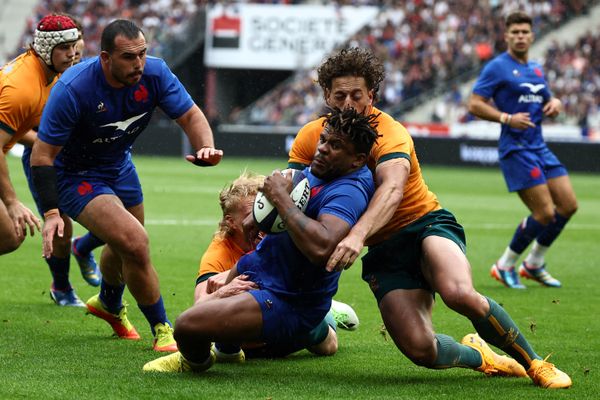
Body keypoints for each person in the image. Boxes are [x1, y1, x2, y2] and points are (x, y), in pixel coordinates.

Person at [286, 47, 571, 389]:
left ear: (371, 95)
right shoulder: (310, 136)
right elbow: (296, 196)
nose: (349, 103)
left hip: (425, 225)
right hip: (384, 251)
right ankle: (481, 357)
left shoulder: (390, 133)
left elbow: (391, 190)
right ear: (326, 96)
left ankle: (536, 363)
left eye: (357, 95)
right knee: (422, 350)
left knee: (458, 293)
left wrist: (356, 235)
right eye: (340, 95)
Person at [30, 19, 223, 352]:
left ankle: (107, 302)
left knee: (124, 247)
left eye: (143, 54)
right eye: (129, 57)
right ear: (105, 58)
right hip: (76, 176)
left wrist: (204, 145)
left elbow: (191, 115)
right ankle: (164, 330)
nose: (139, 64)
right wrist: (51, 213)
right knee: (134, 241)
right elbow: (41, 155)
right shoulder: (73, 89)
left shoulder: (156, 74)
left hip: (119, 166)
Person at [142, 106, 376, 372]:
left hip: (287, 299)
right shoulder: (326, 169)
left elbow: (322, 247)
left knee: (186, 326)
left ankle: (194, 362)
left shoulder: (348, 192)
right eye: (323, 140)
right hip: (262, 271)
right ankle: (228, 352)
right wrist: (258, 215)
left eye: (336, 145)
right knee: (208, 312)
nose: (322, 148)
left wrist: (280, 199)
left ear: (357, 160)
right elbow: (293, 190)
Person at [194, 171, 360, 361]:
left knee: (329, 346)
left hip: (289, 310)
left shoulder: (279, 233)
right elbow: (198, 307)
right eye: (252, 215)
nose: (262, 220)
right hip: (250, 333)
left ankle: (327, 311)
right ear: (231, 222)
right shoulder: (218, 253)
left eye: (263, 211)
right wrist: (222, 292)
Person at [467, 11, 577, 289]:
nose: (520, 36)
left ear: (532, 36)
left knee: (568, 205)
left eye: (524, 32)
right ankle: (504, 265)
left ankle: (534, 264)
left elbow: (547, 99)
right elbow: (475, 103)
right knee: (544, 213)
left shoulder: (536, 69)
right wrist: (506, 118)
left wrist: (556, 103)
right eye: (514, 32)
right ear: (506, 36)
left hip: (539, 145)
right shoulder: (497, 67)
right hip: (515, 148)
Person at [0, 14, 87, 307]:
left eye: (74, 46)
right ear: (45, 49)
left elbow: (18, 127)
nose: (72, 53)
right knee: (10, 233)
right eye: (64, 48)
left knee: (11, 237)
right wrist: (12, 202)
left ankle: (71, 271)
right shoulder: (22, 86)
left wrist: (40, 142)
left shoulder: (52, 73)